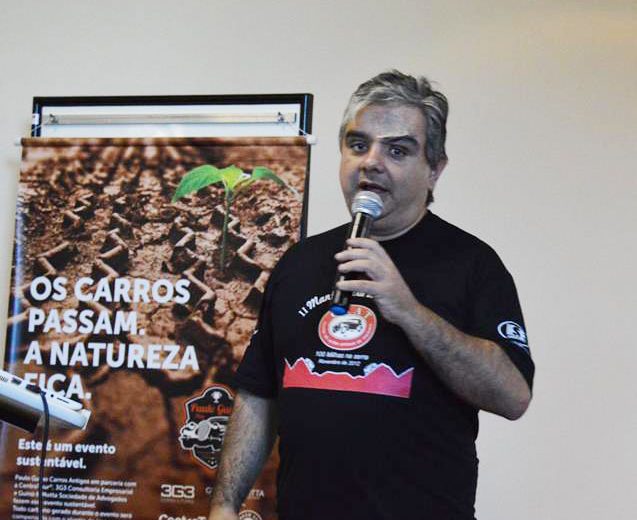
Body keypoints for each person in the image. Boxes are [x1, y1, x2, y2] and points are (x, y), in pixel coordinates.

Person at [208, 70, 534, 520]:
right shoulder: (300, 263)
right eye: (358, 145)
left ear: (434, 170)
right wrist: (224, 504)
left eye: (397, 150)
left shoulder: (472, 264)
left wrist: (409, 311)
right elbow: (258, 394)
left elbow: (512, 396)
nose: (371, 162)